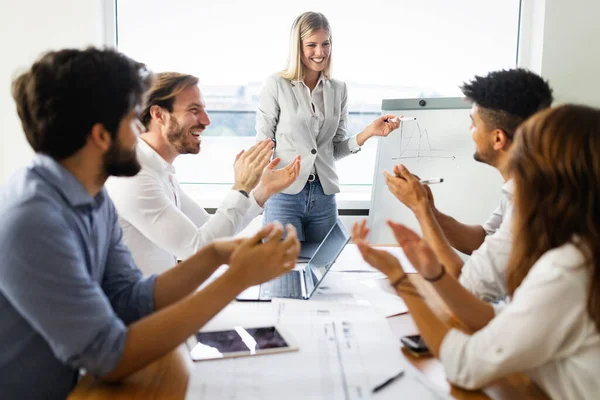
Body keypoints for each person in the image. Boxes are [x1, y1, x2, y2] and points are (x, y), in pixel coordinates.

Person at [0, 48, 300, 400]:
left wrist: (218, 254)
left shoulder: (92, 197)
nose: (141, 129)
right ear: (101, 136)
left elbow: (131, 299)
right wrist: (237, 278)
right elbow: (109, 354)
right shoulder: (32, 220)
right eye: (132, 120)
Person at [353, 104, 600, 399]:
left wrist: (401, 281)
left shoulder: (567, 269)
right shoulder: (579, 244)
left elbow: (464, 365)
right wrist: (434, 273)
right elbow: (499, 315)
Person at [384, 69, 553, 312]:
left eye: (474, 123)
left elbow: (463, 289)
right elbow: (484, 239)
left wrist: (419, 208)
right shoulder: (527, 183)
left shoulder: (530, 204)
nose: (469, 130)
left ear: (498, 139)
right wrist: (431, 211)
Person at [106, 72, 301, 275]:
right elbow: (197, 248)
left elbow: (209, 229)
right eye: (194, 110)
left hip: (161, 298)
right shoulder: (135, 177)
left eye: (204, 110)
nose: (206, 121)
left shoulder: (160, 171)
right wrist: (241, 186)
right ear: (158, 114)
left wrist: (261, 191)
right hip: (141, 305)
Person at [255, 11, 401, 243]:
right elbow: (263, 143)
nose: (320, 52)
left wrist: (368, 133)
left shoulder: (338, 89)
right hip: (284, 195)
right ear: (297, 47)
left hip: (324, 197)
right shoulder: (277, 84)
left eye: (326, 44)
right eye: (311, 45)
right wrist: (261, 187)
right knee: (281, 271)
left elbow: (333, 150)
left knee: (325, 270)